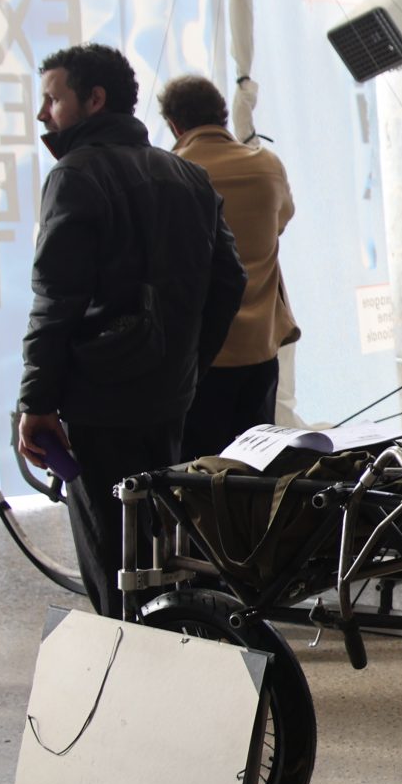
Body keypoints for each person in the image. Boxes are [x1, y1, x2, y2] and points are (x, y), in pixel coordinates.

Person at [14, 44, 245, 616]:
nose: (43, 114)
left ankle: (131, 656)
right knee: (162, 547)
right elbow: (230, 282)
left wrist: (36, 402)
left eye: (52, 99)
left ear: (93, 99)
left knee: (112, 559)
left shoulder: (74, 174)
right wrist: (187, 363)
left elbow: (56, 300)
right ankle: (166, 646)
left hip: (98, 401)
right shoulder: (188, 174)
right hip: (167, 397)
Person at [158, 75, 298, 456]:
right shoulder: (267, 165)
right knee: (254, 468)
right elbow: (282, 220)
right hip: (261, 349)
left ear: (174, 125)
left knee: (202, 471)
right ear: (222, 115)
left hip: (203, 354)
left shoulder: (173, 172)